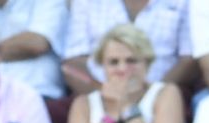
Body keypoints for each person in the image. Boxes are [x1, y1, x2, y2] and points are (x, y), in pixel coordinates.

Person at [62, 0, 195, 97]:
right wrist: (103, 96)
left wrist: (152, 95)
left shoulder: (182, 2)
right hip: (97, 96)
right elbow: (72, 62)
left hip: (163, 96)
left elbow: (189, 60)